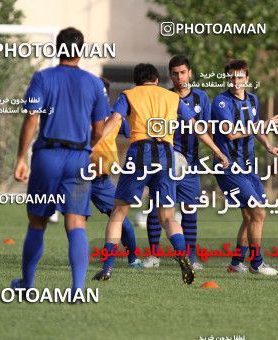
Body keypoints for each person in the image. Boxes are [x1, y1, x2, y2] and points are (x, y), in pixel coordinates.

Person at [92, 63, 229, 284]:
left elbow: (114, 121)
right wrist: (217, 151)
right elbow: (196, 127)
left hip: (140, 153)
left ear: (137, 81)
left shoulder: (129, 95)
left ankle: (107, 267)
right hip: (166, 155)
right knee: (168, 216)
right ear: (157, 80)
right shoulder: (171, 97)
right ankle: (183, 256)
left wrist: (93, 144)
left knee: (118, 213)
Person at [11, 27, 107, 297]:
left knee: (37, 221)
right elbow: (99, 129)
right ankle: (78, 289)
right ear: (81, 50)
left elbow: (32, 118)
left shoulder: (42, 78)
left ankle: (27, 285)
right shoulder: (94, 83)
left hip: (47, 157)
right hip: (79, 158)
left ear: (57, 48)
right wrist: (88, 150)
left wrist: (21, 157)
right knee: (76, 223)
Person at [211, 59, 278, 277]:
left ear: (247, 79)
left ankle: (236, 263)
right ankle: (257, 263)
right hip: (228, 167)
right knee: (258, 212)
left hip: (248, 167)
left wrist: (268, 144)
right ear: (227, 78)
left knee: (251, 216)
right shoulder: (221, 102)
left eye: (240, 77)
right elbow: (231, 133)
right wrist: (262, 125)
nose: (235, 81)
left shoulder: (252, 99)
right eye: (231, 77)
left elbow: (254, 128)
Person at [144, 56, 212, 270]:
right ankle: (153, 255)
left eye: (183, 72)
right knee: (157, 209)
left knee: (190, 210)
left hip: (191, 164)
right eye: (175, 73)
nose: (179, 77)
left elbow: (206, 129)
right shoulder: (163, 97)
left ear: (189, 73)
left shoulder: (202, 98)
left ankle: (190, 257)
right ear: (170, 75)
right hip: (165, 163)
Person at [89, 77, 143, 269]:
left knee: (122, 220)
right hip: (76, 178)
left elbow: (135, 133)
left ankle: (133, 258)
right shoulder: (78, 115)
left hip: (100, 181)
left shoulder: (115, 117)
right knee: (74, 221)